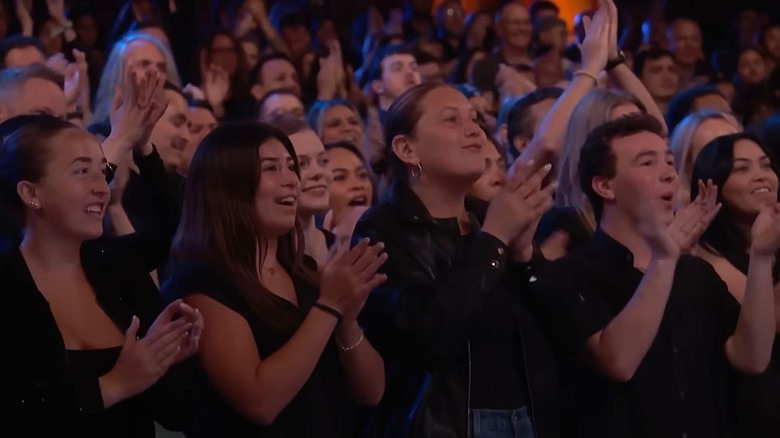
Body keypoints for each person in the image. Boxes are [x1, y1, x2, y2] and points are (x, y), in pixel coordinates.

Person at [532, 113, 776, 438]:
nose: (667, 174)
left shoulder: (694, 272)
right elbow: (618, 361)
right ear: (605, 186)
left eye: (670, 161)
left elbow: (752, 359)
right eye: (647, 163)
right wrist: (664, 259)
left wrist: (761, 257)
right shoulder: (571, 274)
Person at [353, 83, 559, 437]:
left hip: (527, 418)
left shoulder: (490, 216)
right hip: (444, 425)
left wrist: (525, 256)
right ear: (406, 148)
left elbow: (558, 330)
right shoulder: (383, 228)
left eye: (474, 119)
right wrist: (494, 240)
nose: (474, 129)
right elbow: (425, 332)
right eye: (452, 119)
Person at [162, 121, 387, 437]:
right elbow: (259, 402)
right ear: (228, 185)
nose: (292, 181)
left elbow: (372, 392)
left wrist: (347, 322)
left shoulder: (305, 271)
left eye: (290, 167)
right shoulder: (199, 284)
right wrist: (328, 306)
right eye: (272, 169)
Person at [2, 91, 202, 434]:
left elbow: (176, 412)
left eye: (102, 171)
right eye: (83, 172)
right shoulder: (8, 286)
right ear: (31, 193)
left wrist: (166, 362)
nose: (102, 188)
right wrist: (115, 384)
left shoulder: (116, 269)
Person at [690, 133, 780, 437]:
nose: (760, 176)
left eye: (765, 165)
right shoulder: (705, 259)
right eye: (742, 169)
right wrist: (762, 252)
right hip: (750, 415)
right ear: (712, 185)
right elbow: (770, 322)